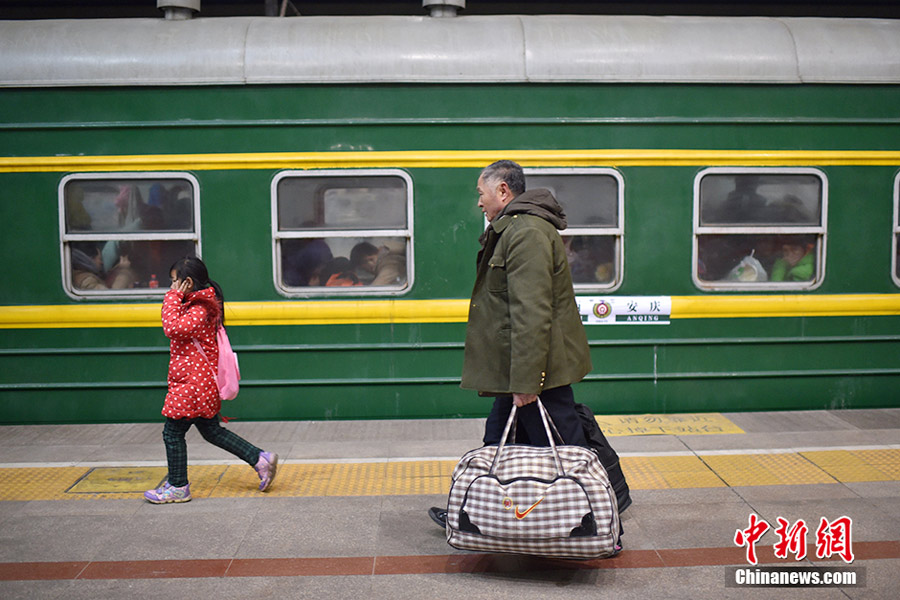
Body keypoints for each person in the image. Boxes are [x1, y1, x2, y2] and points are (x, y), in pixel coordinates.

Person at [428, 160, 592, 527]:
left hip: (535, 369)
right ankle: (473, 513)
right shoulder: (514, 229)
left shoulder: (527, 233)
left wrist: (524, 382)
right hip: (521, 365)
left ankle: (593, 519)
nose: (478, 202)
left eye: (481, 193)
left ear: (502, 190)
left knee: (566, 452)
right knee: (498, 442)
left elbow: (532, 311)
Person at [144, 256, 278, 504]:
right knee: (211, 431)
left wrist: (172, 298)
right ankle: (260, 458)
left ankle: (177, 486)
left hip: (193, 384)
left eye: (174, 282)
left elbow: (172, 328)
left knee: (172, 433)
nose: (170, 287)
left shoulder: (200, 308)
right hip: (194, 380)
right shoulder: (198, 303)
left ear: (187, 282)